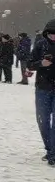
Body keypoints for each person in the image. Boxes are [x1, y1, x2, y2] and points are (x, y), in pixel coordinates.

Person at [28, 19, 55, 165]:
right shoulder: (40, 45)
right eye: (51, 34)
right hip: (43, 88)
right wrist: (41, 64)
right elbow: (30, 64)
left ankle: (53, 154)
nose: (53, 37)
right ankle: (50, 149)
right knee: (43, 120)